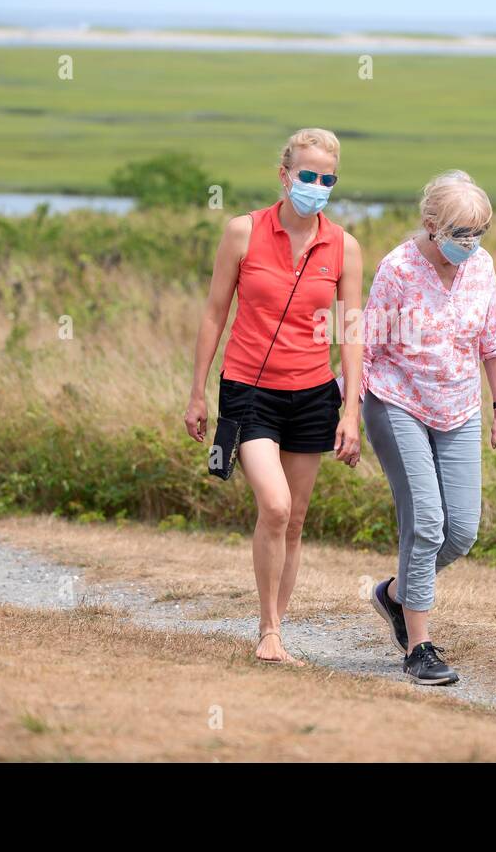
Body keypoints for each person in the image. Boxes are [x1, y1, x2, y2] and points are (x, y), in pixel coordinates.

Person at [185, 128, 363, 664]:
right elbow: (215, 312)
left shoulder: (344, 246)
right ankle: (267, 630)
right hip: (248, 391)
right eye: (307, 175)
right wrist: (197, 392)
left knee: (298, 517)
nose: (316, 185)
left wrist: (351, 409)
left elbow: (351, 330)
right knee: (276, 505)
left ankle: (275, 632)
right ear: (284, 174)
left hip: (313, 395)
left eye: (327, 178)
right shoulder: (242, 232)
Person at [361, 170, 496, 685]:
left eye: (479, 233)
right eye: (460, 234)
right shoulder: (397, 270)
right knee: (426, 523)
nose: (470, 244)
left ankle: (394, 596)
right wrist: (346, 415)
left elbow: (491, 340)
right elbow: (366, 347)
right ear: (431, 225)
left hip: (459, 407)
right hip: (397, 401)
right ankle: (418, 647)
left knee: (461, 531)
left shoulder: (482, 267)